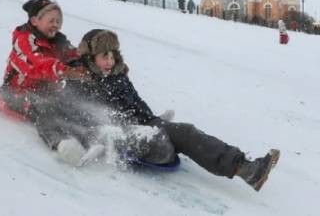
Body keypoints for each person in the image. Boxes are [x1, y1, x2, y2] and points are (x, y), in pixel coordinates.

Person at [62, 29, 280, 191]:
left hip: (147, 124)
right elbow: (78, 116)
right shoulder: (81, 81)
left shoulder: (118, 77)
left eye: (112, 55)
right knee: (161, 140)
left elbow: (137, 104)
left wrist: (155, 120)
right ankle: (162, 137)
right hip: (122, 135)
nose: (109, 61)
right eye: (103, 57)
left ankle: (247, 169)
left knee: (186, 131)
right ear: (90, 58)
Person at [0, 0, 104, 165]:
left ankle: (94, 138)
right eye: (51, 21)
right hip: (16, 92)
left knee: (71, 106)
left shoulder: (58, 41)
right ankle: (61, 142)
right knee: (43, 107)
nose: (56, 25)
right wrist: (65, 70)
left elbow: (73, 55)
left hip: (48, 92)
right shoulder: (24, 40)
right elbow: (35, 64)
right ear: (35, 21)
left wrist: (96, 67)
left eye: (58, 21)